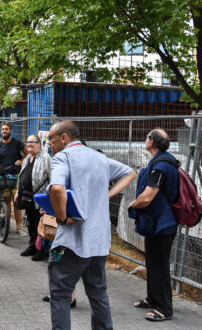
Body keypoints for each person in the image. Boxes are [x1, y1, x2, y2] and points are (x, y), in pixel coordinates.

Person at [47, 121, 136, 330]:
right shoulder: (100, 158)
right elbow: (130, 173)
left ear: (64, 138)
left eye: (51, 138)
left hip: (72, 242)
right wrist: (107, 195)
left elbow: (57, 189)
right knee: (98, 294)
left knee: (60, 295)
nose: (49, 143)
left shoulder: (62, 157)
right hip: (99, 241)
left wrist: (61, 217)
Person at [129, 129, 178, 322]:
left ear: (151, 142)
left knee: (160, 265)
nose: (145, 140)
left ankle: (164, 308)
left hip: (162, 224)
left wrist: (134, 204)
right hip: (156, 222)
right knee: (152, 262)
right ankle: (152, 298)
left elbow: (148, 196)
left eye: (147, 137)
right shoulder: (162, 161)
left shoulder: (161, 166)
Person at [0, 123, 28, 235]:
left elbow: (27, 154)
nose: (4, 131)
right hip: (3, 175)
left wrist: (21, 161)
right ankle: (8, 225)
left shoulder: (17, 143)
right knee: (7, 200)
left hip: (16, 175)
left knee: (17, 201)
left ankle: (19, 227)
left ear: (10, 131)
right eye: (3, 129)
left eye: (6, 129)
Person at [14, 134, 51, 259]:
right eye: (27, 142)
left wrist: (50, 199)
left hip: (41, 198)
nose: (29, 144)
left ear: (39, 144)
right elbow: (22, 177)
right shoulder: (28, 157)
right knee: (31, 222)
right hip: (28, 197)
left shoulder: (46, 158)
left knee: (40, 224)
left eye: (32, 142)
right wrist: (18, 192)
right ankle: (32, 246)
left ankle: (42, 250)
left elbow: (52, 179)